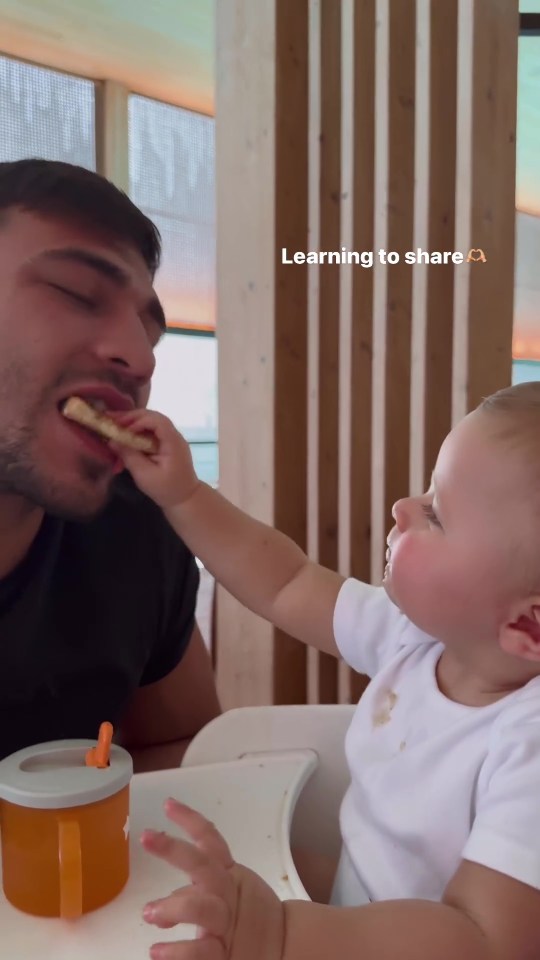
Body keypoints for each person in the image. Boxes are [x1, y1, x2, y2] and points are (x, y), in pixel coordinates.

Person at [110, 381, 540, 960]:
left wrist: (278, 935)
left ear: (529, 628)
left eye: (435, 514)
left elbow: (484, 939)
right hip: (351, 908)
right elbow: (285, 582)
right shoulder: (416, 639)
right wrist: (185, 495)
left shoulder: (529, 744)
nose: (402, 508)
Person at [0, 158, 220, 771]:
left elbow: (182, 751)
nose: (139, 359)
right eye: (76, 293)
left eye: (150, 335)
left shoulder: (138, 535)